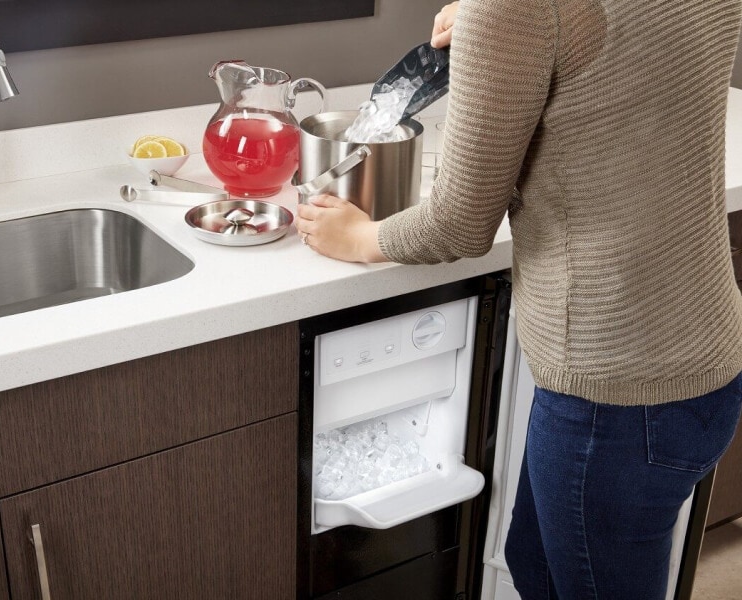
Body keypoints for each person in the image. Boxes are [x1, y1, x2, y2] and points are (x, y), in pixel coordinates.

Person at [296, 1, 742, 598]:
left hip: (609, 392)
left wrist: (357, 236)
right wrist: (507, 35)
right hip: (705, 362)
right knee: (533, 563)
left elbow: (458, 225)